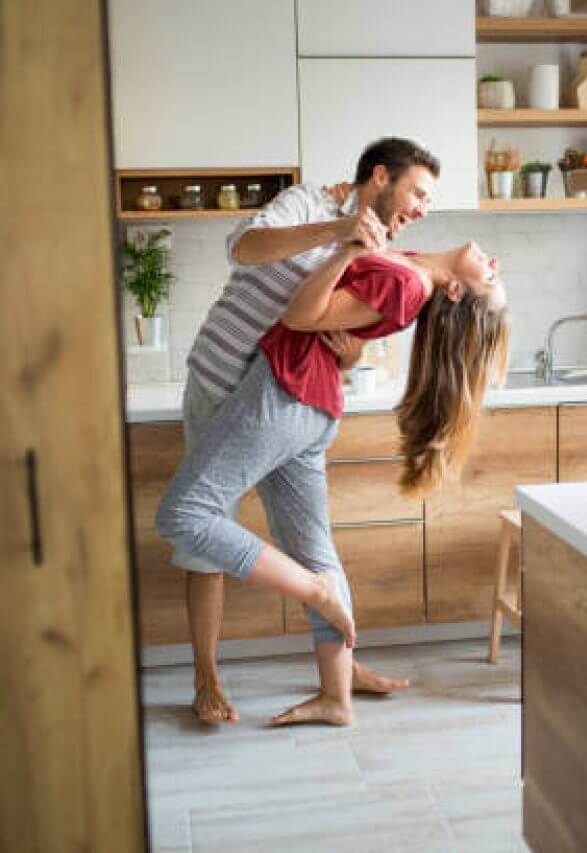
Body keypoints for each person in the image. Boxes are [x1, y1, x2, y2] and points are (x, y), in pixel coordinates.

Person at [156, 239, 509, 727]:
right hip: (314, 405)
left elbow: (303, 314)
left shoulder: (409, 281)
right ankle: (336, 696)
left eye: (489, 278)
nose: (494, 262)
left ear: (454, 291)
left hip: (286, 393)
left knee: (184, 514)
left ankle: (314, 591)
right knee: (314, 548)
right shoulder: (411, 264)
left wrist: (345, 250)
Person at [171, 137, 441, 725]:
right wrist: (335, 231)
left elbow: (340, 336)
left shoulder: (379, 248)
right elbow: (243, 248)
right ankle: (206, 675)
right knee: (200, 534)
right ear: (380, 176)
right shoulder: (306, 202)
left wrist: (346, 357)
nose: (422, 207)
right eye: (417, 192)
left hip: (281, 401)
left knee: (313, 542)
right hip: (221, 384)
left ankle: (341, 671)